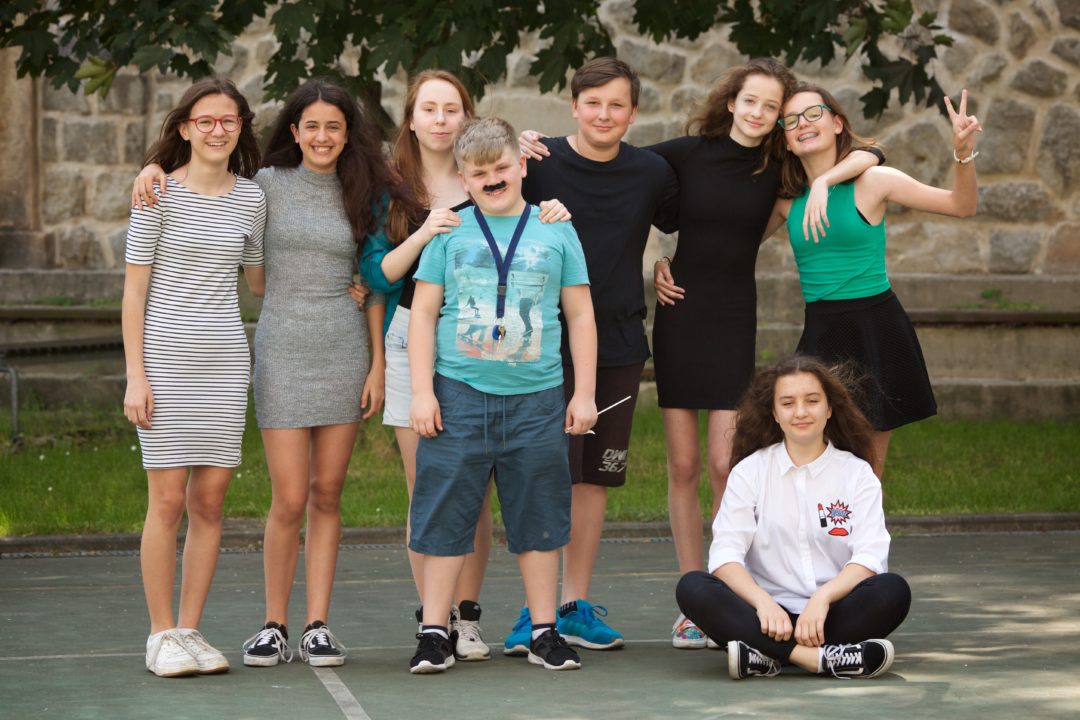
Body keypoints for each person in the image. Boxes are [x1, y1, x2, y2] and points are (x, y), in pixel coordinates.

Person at [132, 79, 405, 668]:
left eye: (334, 127)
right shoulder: (264, 186)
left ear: (348, 134)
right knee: (288, 497)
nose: (323, 136)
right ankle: (273, 625)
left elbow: (378, 272)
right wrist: (151, 169)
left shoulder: (366, 191)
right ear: (294, 131)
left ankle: (316, 626)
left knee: (327, 493)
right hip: (278, 349)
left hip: (341, 348)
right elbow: (247, 262)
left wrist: (375, 350)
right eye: (312, 126)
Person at [646, 59, 885, 647]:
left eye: (771, 107)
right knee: (683, 466)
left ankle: (732, 589)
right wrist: (657, 260)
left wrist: (824, 183)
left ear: (779, 117)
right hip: (680, 312)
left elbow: (869, 156)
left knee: (725, 464)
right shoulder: (687, 153)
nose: (758, 113)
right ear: (731, 101)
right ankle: (692, 599)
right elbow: (615, 165)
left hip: (733, 317)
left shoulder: (779, 167)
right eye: (749, 100)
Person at [355, 70, 571, 661]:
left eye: (452, 108)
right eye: (429, 108)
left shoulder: (493, 167)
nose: (441, 119)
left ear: (467, 117)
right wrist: (426, 231)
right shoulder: (390, 184)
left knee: (478, 498)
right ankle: (436, 621)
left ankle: (468, 618)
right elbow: (376, 275)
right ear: (411, 118)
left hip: (504, 355)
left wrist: (551, 199)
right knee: (433, 491)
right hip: (422, 339)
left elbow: (546, 205)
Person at [406, 117, 598, 674]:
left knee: (539, 516)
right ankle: (434, 631)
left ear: (521, 166)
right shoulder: (449, 230)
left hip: (537, 397)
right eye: (479, 172)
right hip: (459, 395)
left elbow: (580, 314)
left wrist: (584, 393)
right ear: (463, 178)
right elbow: (422, 313)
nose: (492, 179)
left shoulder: (556, 228)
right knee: (445, 513)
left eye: (502, 167)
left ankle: (543, 631)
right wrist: (422, 391)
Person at [512, 56, 679, 652]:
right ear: (574, 106)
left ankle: (572, 605)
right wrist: (512, 146)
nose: (604, 115)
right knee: (541, 472)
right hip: (538, 341)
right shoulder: (537, 161)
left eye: (616, 105)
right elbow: (477, 187)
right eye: (593, 103)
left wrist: (667, 262)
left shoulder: (652, 172)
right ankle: (533, 612)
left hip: (618, 342)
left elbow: (702, 218)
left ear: (632, 113)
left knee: (591, 479)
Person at [122, 78, 266, 677]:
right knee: (167, 501)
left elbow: (258, 280)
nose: (217, 130)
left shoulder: (253, 199)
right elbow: (134, 293)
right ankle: (159, 636)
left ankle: (188, 630)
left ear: (241, 127)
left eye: (228, 121)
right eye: (205, 121)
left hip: (226, 365)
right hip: (163, 364)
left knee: (209, 502)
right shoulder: (156, 193)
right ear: (185, 128)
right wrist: (135, 376)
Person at [772, 85, 980, 477]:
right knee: (809, 457)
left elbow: (961, 206)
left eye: (813, 113)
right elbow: (732, 242)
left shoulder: (874, 181)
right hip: (821, 331)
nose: (803, 124)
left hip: (875, 328)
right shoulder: (786, 201)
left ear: (837, 123)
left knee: (865, 467)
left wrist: (963, 153)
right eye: (791, 120)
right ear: (784, 138)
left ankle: (865, 522)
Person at [675, 356, 912, 680]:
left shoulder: (857, 474)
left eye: (812, 401)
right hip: (765, 616)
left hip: (832, 613)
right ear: (774, 413)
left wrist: (823, 598)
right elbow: (725, 555)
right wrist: (763, 603)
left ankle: (764, 655)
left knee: (893, 591)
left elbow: (870, 556)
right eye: (787, 403)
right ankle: (818, 659)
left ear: (829, 409)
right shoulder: (749, 472)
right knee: (692, 587)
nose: (800, 412)